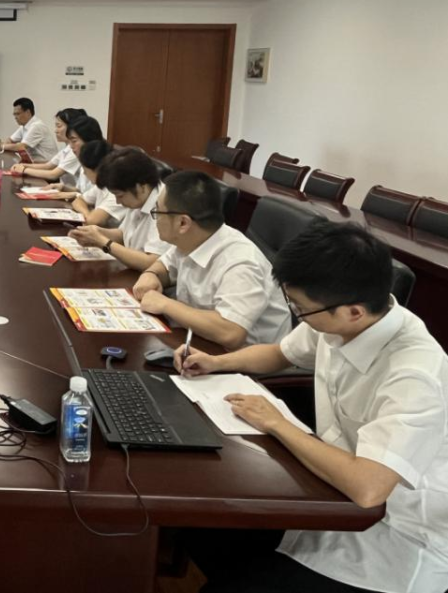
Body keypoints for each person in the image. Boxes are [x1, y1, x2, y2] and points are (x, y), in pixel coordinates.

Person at [177, 221, 448, 593]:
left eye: (300, 309)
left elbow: (369, 489)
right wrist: (215, 362)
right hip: (327, 490)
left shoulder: (415, 374)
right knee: (197, 527)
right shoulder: (341, 318)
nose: (296, 314)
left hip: (396, 535)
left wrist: (277, 423)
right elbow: (280, 353)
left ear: (353, 312)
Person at [131, 170, 289, 348]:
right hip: (199, 344)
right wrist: (151, 274)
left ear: (183, 223)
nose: (156, 218)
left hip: (240, 360)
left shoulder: (241, 263)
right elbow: (165, 266)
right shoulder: (193, 239)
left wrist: (165, 305)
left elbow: (230, 332)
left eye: (158, 211)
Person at [71, 147, 170, 271]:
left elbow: (152, 262)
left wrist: (104, 243)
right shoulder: (139, 198)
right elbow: (124, 234)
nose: (118, 202)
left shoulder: (165, 206)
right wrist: (98, 232)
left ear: (141, 187)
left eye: (120, 196)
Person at [10, 108, 86, 184]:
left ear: (71, 128)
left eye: (59, 126)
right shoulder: (67, 149)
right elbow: (47, 166)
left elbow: (53, 174)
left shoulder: (75, 151)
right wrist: (22, 165)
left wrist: (24, 170)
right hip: (64, 188)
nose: (55, 131)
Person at [0, 97, 59, 163]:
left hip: (47, 165)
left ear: (28, 112)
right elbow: (9, 141)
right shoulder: (24, 126)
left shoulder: (37, 126)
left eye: (18, 114)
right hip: (35, 163)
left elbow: (20, 147)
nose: (15, 117)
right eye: (14, 114)